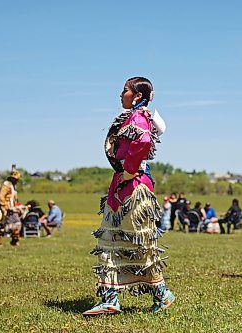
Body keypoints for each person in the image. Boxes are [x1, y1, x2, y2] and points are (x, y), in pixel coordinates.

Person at [83, 77, 175, 316]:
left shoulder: (138, 116)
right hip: (125, 184)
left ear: (136, 95)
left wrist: (130, 169)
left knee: (131, 242)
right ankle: (116, 298)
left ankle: (156, 294)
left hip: (133, 186)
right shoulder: (134, 116)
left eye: (124, 90)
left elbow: (143, 141)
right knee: (121, 241)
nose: (120, 94)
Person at [0, 166, 22, 246]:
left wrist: (18, 206)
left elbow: (14, 199)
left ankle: (14, 240)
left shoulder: (13, 187)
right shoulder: (6, 185)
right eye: (15, 179)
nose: (16, 181)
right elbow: (1, 196)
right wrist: (4, 206)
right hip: (6, 208)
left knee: (17, 224)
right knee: (2, 225)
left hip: (13, 209)